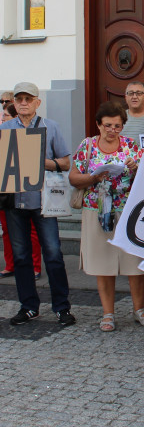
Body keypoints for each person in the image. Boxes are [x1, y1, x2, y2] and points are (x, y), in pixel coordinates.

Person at [68, 101, 144, 332]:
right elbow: (74, 178)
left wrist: (136, 167)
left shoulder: (130, 146)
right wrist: (94, 178)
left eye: (117, 126)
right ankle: (108, 313)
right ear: (98, 124)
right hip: (96, 210)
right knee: (103, 262)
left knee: (134, 262)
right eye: (108, 125)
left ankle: (139, 308)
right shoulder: (87, 146)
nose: (112, 130)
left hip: (127, 210)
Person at [0, 82, 76, 326]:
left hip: (43, 202)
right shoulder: (5, 129)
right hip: (14, 202)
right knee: (21, 257)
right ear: (14, 102)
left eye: (28, 98)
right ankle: (28, 306)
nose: (23, 102)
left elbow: (65, 163)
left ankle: (62, 307)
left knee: (53, 254)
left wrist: (41, 162)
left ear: (37, 102)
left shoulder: (50, 127)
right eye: (19, 98)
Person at [0, 103, 42, 280]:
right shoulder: (3, 132)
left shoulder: (26, 132)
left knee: (31, 230)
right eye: (2, 117)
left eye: (6, 117)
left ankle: (34, 266)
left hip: (25, 186)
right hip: (5, 185)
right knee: (7, 229)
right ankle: (11, 264)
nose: (3, 119)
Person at [121, 81, 144, 146]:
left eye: (139, 93)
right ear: (126, 97)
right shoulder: (119, 117)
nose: (134, 97)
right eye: (131, 93)